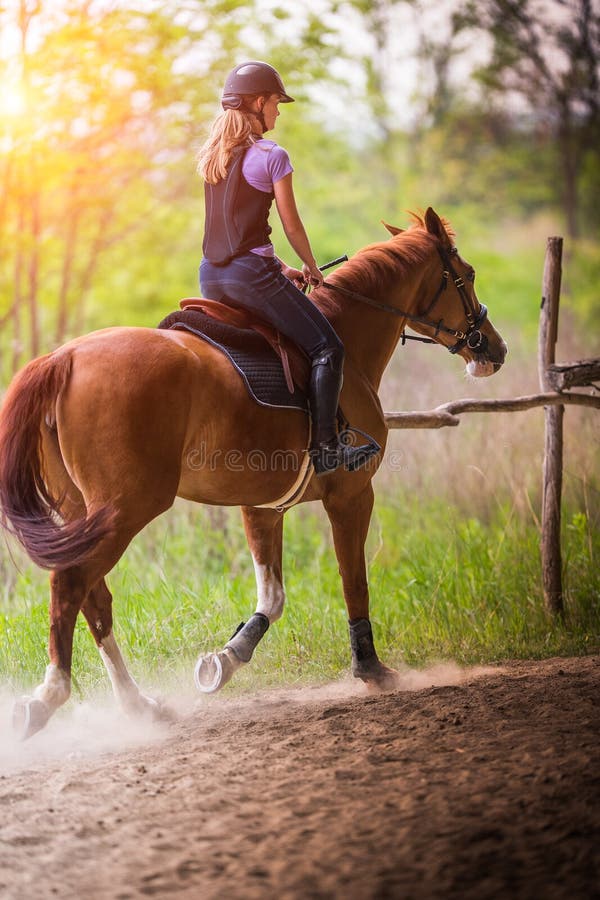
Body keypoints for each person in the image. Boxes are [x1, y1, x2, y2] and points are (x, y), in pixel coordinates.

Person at [196, 60, 379, 475]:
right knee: (327, 347)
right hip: (250, 278)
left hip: (211, 275)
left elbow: (236, 231)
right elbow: (290, 224)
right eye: (277, 102)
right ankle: (326, 449)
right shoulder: (273, 155)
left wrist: (280, 267)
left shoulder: (213, 157)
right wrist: (312, 268)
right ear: (259, 103)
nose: (278, 111)